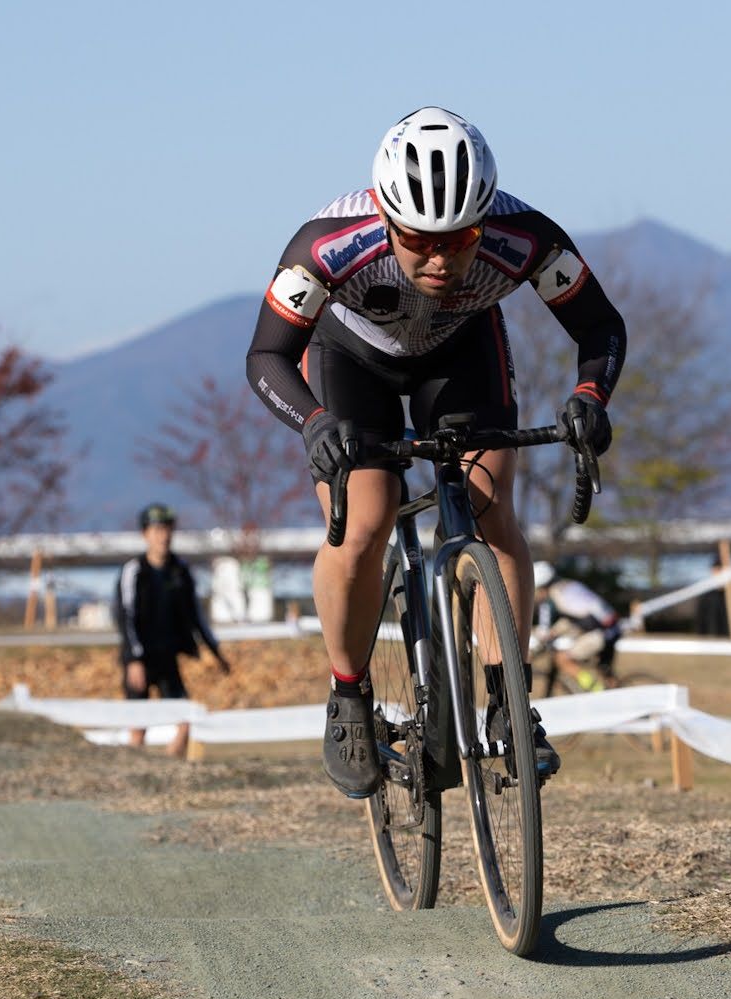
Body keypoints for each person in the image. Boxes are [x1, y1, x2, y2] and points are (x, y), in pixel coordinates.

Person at [245, 106, 625, 797]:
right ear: (388, 218)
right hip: (350, 357)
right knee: (366, 517)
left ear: (486, 219)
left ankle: (508, 701)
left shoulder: (527, 239)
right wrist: (313, 423)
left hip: (460, 353)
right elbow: (268, 356)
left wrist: (591, 396)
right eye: (419, 239)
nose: (441, 259)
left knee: (489, 506)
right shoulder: (328, 245)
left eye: (462, 238)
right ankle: (350, 695)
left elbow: (599, 325)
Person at [115, 503, 231, 757]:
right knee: (138, 726)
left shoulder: (180, 570)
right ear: (145, 534)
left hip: (167, 658)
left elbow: (195, 616)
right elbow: (125, 617)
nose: (163, 535)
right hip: (140, 660)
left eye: (167, 529)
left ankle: (169, 768)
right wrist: (133, 659)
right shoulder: (133, 571)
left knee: (184, 719)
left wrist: (216, 653)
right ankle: (133, 773)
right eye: (156, 529)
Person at [531, 561, 623, 691]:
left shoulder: (551, 598)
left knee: (562, 659)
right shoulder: (569, 585)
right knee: (605, 671)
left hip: (602, 632)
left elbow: (544, 630)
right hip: (611, 629)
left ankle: (596, 689)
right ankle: (613, 691)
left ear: (541, 586)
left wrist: (533, 647)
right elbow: (573, 620)